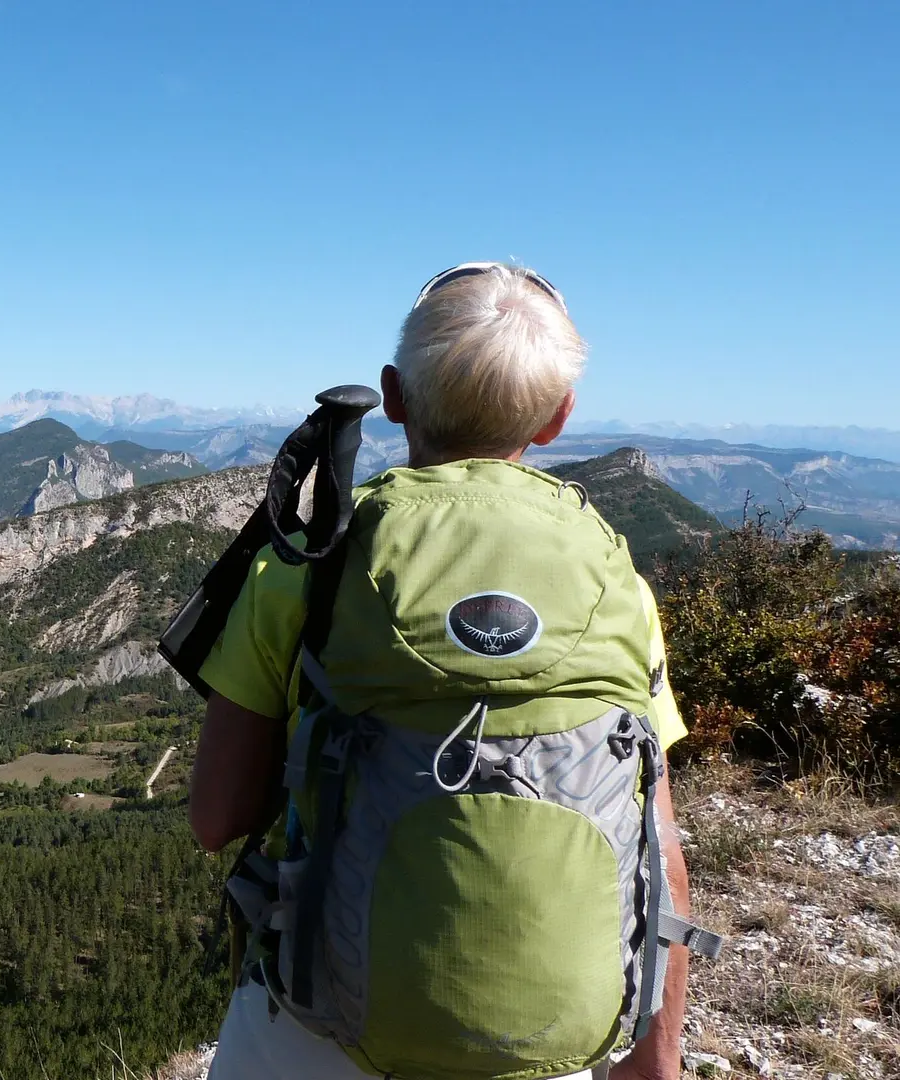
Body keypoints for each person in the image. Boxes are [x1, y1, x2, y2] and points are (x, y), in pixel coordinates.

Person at [189, 262, 694, 1080]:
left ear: (392, 397)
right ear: (561, 417)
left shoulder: (306, 569)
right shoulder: (618, 586)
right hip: (552, 1033)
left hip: (319, 1025)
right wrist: (655, 1055)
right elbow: (658, 840)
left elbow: (216, 818)